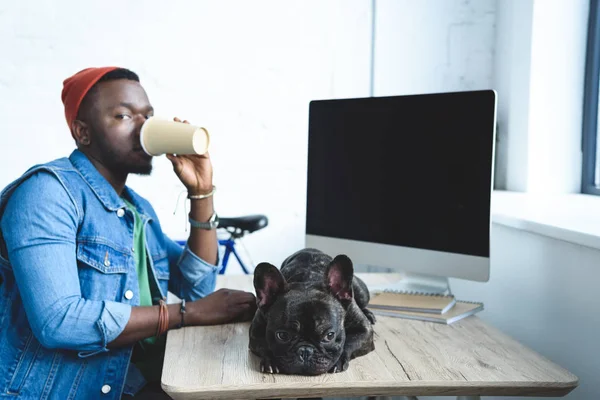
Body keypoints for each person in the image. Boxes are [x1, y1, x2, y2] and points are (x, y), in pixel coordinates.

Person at [0, 66, 257, 399]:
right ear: (83, 133)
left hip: (133, 380)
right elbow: (58, 321)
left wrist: (201, 192)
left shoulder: (137, 209)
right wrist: (184, 315)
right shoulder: (47, 194)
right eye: (124, 116)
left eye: (148, 116)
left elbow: (196, 286)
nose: (143, 127)